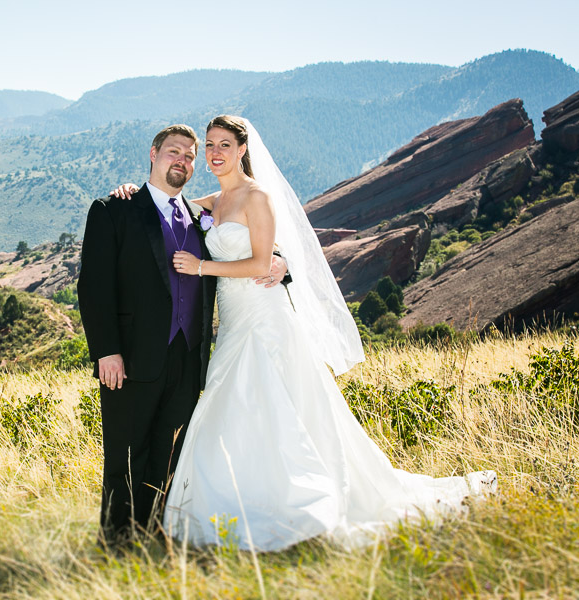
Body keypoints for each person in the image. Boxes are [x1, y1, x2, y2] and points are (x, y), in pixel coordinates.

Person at [115, 115, 496, 552]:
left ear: (243, 150)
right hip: (234, 321)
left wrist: (203, 267)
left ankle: (301, 504)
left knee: (276, 403)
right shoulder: (212, 202)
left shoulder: (257, 197)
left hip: (266, 317)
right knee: (232, 404)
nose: (216, 152)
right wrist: (129, 191)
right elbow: (165, 200)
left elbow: (262, 264)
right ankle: (239, 503)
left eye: (224, 144)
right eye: (210, 145)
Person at [78, 124, 287, 548]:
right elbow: (93, 287)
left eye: (191, 156)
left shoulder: (199, 216)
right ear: (153, 154)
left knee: (170, 452)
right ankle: (117, 543)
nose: (184, 161)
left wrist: (281, 262)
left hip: (190, 357)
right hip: (131, 359)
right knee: (126, 454)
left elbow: (248, 246)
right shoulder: (115, 209)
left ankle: (157, 533)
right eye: (175, 152)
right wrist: (107, 351)